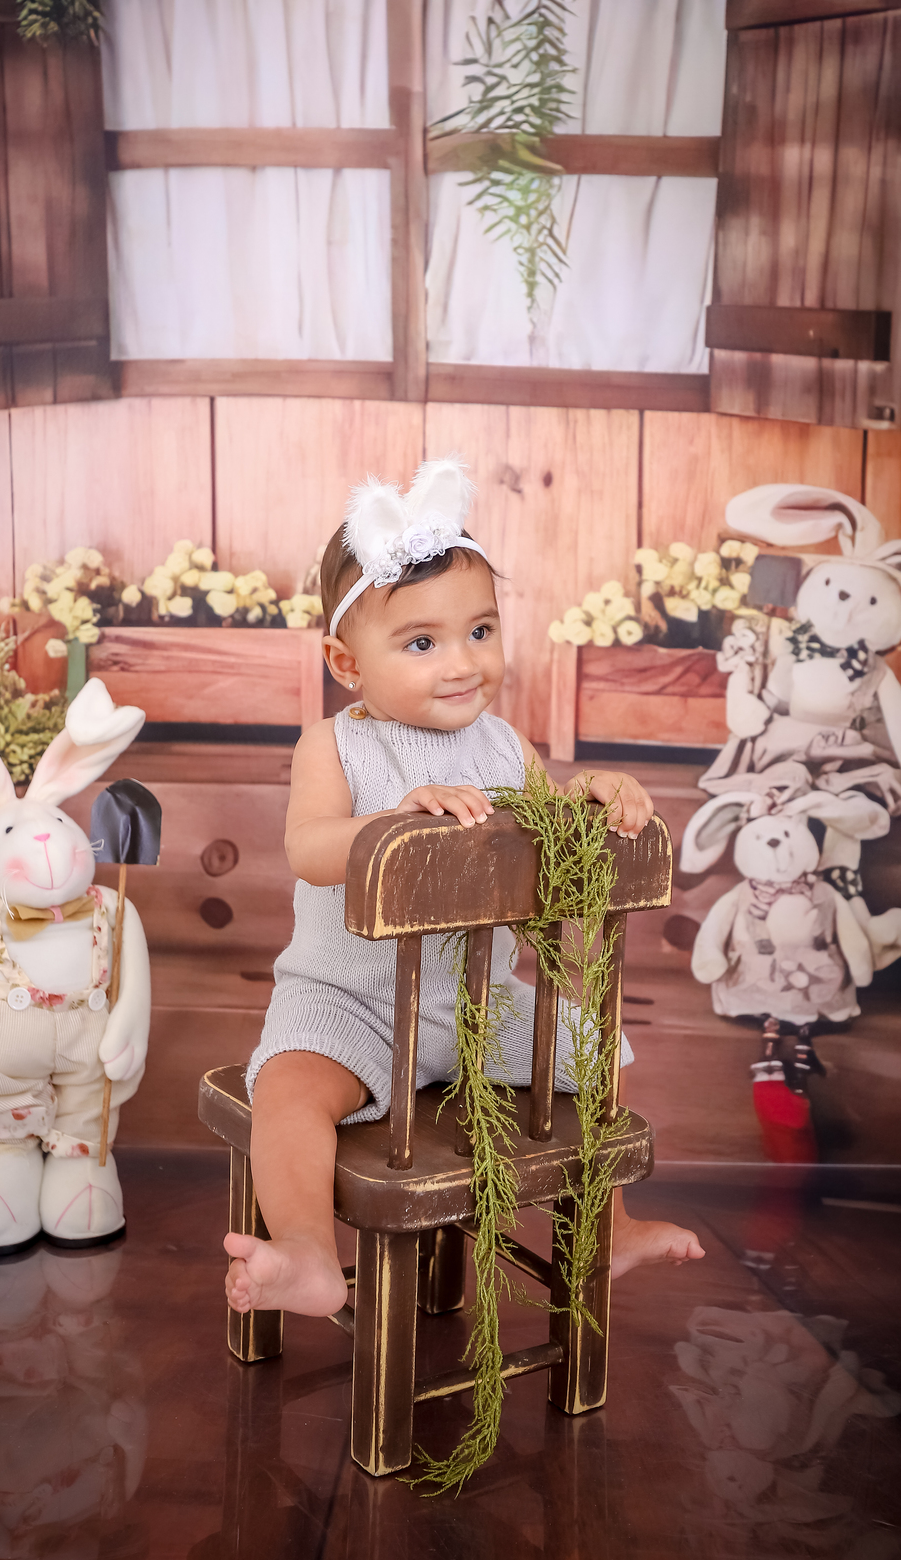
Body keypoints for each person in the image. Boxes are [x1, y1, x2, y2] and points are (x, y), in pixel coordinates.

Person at [225, 459, 704, 1319]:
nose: (462, 663)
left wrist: (594, 801)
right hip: (352, 1006)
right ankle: (305, 1250)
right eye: (422, 643)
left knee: (598, 1057)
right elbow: (307, 848)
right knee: (290, 1090)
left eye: (480, 630)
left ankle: (607, 1228)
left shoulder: (506, 747)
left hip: (482, 1007)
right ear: (346, 661)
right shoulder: (336, 748)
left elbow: (551, 844)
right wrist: (390, 823)